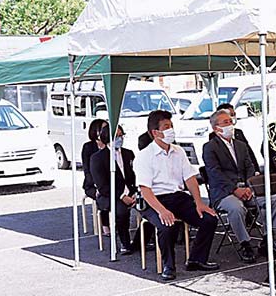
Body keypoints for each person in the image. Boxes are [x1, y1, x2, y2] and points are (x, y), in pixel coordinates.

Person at [134, 109, 219, 281]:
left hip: (177, 197)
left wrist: (199, 202)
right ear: (155, 132)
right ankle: (168, 266)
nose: (170, 130)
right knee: (166, 226)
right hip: (154, 200)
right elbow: (145, 190)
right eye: (166, 127)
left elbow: (190, 178)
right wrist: (161, 211)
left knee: (209, 219)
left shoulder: (178, 151)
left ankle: (196, 259)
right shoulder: (144, 156)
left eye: (171, 126)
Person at [202, 109, 276, 264]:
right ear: (216, 128)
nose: (230, 124)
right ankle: (245, 243)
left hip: (247, 189)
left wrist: (248, 186)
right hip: (224, 192)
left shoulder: (241, 145)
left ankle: (267, 239)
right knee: (236, 208)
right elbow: (215, 174)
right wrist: (235, 189)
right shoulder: (209, 147)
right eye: (225, 122)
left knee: (275, 200)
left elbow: (250, 167)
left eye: (230, 121)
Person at [89, 123, 137, 255]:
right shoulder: (97, 158)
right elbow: (102, 186)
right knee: (121, 211)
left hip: (131, 192)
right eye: (116, 136)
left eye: (121, 136)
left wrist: (134, 192)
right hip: (110, 195)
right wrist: (122, 196)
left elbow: (134, 176)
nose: (120, 139)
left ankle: (140, 241)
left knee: (151, 206)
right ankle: (125, 243)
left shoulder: (128, 154)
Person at [212, 102, 259, 167]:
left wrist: (256, 170)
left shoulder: (238, 133)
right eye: (230, 115)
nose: (232, 118)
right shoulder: (213, 138)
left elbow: (249, 153)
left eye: (234, 114)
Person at [82, 118, 108, 201]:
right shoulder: (88, 147)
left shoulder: (110, 145)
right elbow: (87, 169)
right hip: (93, 184)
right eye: (103, 129)